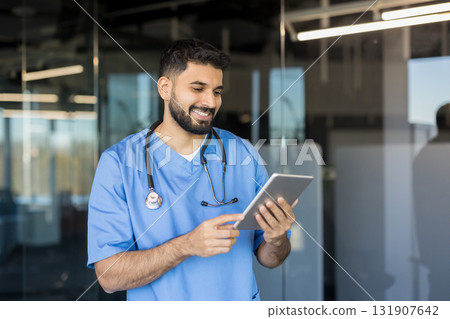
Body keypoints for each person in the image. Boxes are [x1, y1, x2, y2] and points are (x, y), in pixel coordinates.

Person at [87, 39, 296, 301]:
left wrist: (277, 239)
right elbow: (109, 277)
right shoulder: (118, 163)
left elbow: (269, 258)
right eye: (198, 89)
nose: (210, 102)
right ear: (165, 88)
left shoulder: (242, 154)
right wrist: (187, 246)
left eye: (217, 91)